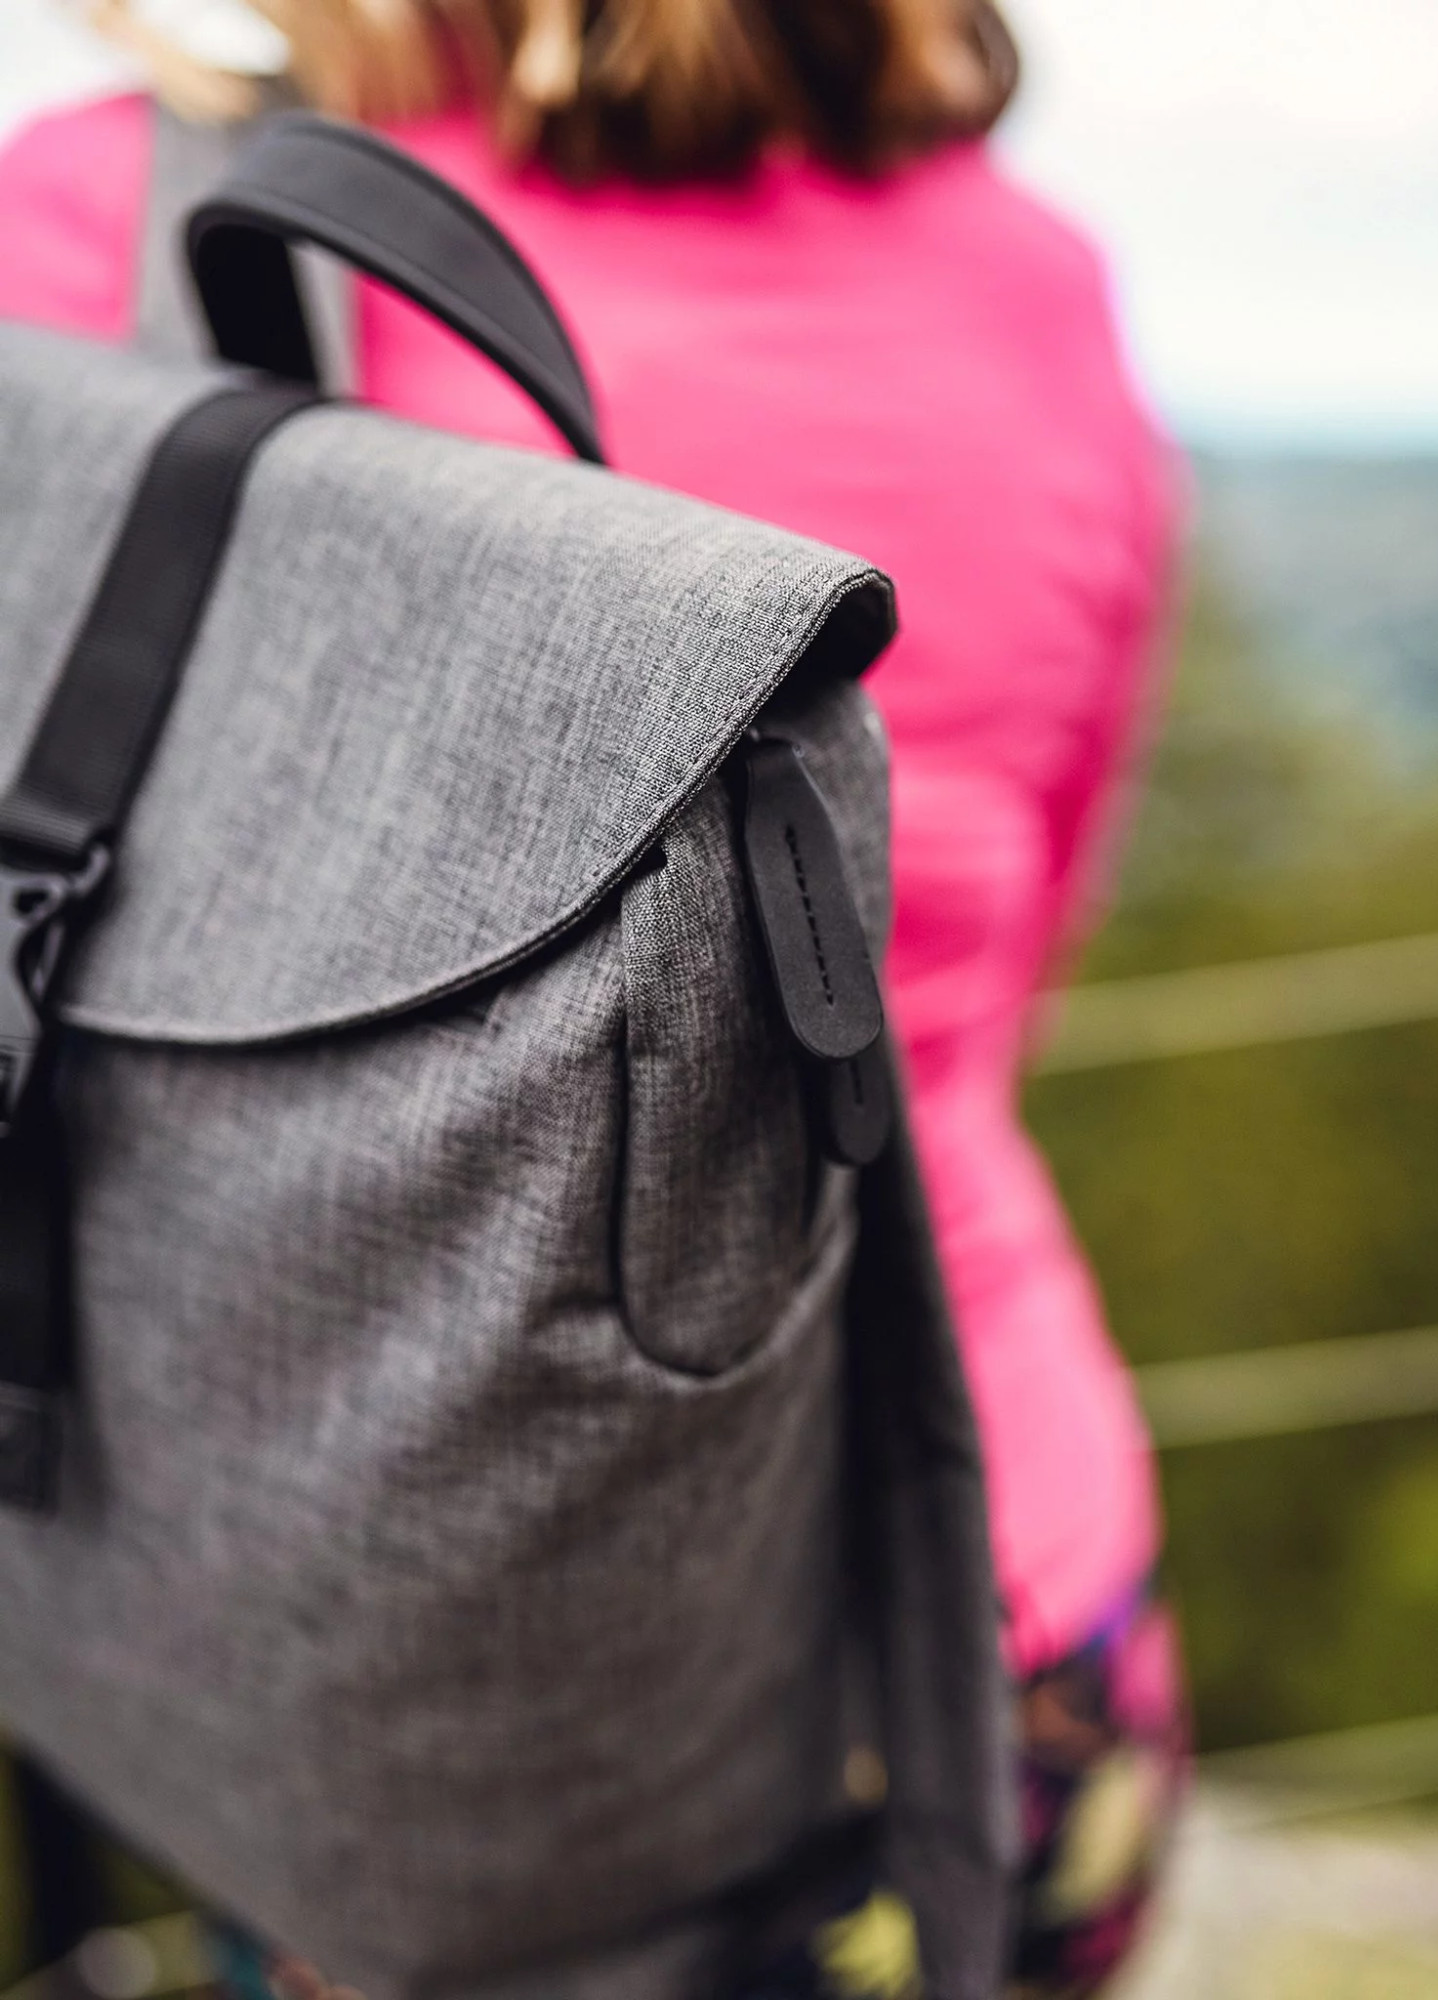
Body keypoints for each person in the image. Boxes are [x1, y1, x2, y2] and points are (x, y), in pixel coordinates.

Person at [0, 3, 1186, 1992]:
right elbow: (1011, 962)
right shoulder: (1031, 279)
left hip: (436, 1685)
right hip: (1009, 1630)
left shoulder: (114, 219)